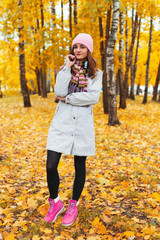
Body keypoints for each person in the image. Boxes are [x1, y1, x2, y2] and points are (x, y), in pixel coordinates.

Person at [44, 33, 103, 227]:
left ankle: (73, 205)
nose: (78, 50)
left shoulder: (97, 74)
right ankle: (55, 202)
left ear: (89, 50)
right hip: (62, 122)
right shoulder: (65, 69)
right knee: (51, 165)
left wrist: (68, 99)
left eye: (82, 47)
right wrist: (67, 69)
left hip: (82, 125)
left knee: (80, 166)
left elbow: (93, 98)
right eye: (75, 46)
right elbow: (59, 92)